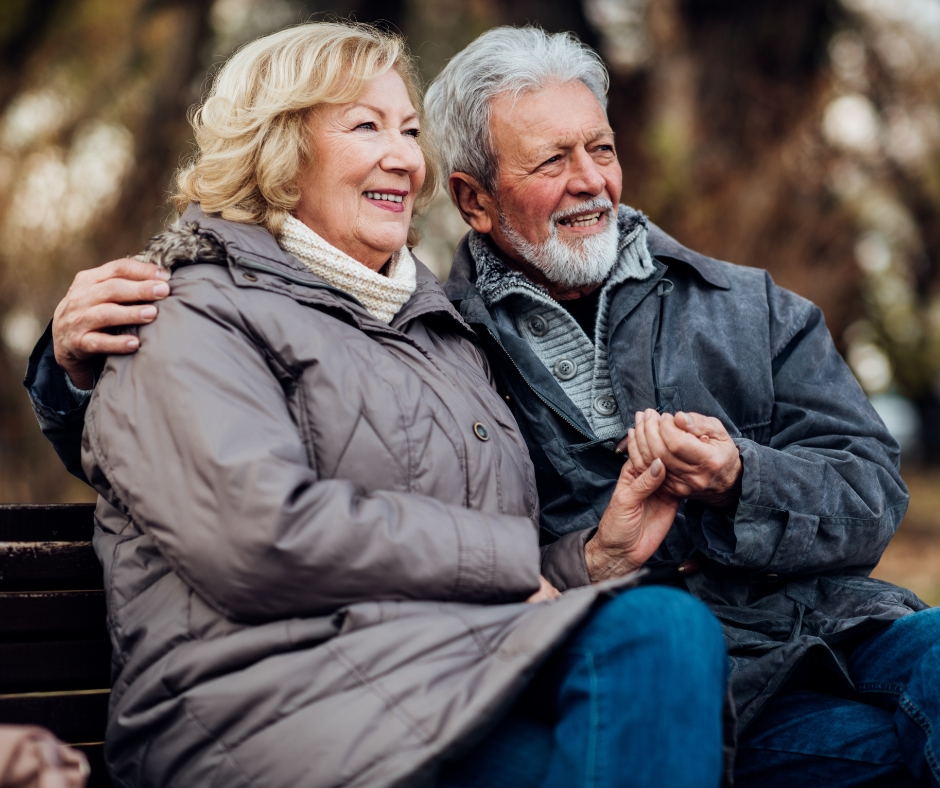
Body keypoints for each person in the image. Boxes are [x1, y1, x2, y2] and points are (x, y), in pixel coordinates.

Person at [40, 21, 939, 788]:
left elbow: (870, 492)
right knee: (678, 648)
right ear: (472, 198)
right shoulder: (442, 331)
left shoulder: (730, 306)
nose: (590, 181)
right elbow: (191, 466)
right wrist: (63, 364)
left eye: (602, 149)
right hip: (475, 683)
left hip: (810, 631)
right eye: (551, 160)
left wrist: (720, 486)